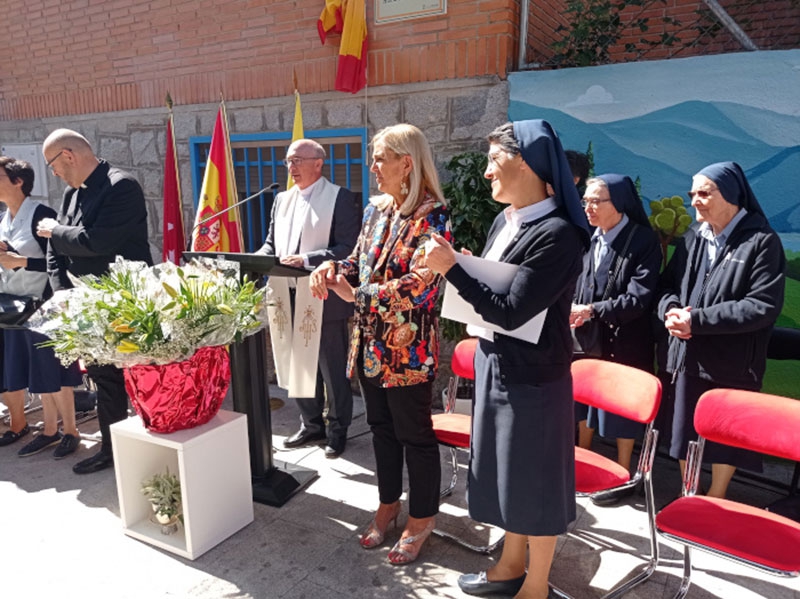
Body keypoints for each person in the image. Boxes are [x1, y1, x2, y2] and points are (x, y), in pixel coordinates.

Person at [426, 120, 590, 599]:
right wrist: (469, 266)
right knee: (507, 474)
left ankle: (535, 586)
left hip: (535, 378)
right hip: (496, 362)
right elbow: (502, 286)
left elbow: (513, 310)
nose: (486, 172)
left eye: (494, 159)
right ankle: (510, 562)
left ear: (527, 163)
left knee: (536, 482)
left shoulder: (558, 233)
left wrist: (454, 268)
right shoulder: (508, 220)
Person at [309, 124, 450, 565]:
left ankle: (422, 517)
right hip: (369, 344)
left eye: (380, 158)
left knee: (415, 436)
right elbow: (358, 262)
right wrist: (332, 268)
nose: (373, 167)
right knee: (381, 432)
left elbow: (424, 284)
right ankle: (389, 503)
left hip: (407, 349)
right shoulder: (375, 210)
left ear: (406, 163)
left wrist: (362, 295)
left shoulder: (434, 214)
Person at [657, 161, 785, 499]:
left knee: (726, 436)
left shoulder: (761, 242)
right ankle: (690, 493)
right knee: (684, 429)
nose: (694, 200)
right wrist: (669, 312)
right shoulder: (692, 238)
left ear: (730, 194)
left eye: (703, 192)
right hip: (687, 354)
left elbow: (762, 306)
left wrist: (696, 321)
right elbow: (666, 286)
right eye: (692, 193)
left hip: (732, 361)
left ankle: (716, 496)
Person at [39, 129, 152, 474]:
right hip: (84, 302)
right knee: (103, 378)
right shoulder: (71, 194)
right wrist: (62, 294)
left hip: (122, 300)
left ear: (69, 156)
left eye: (53, 165)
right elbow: (53, 252)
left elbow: (97, 241)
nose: (54, 173)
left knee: (138, 375)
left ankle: (154, 440)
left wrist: (54, 230)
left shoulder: (121, 186)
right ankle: (112, 449)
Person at [256, 138, 361, 458]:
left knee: (331, 368)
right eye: (288, 161)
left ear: (319, 163)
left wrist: (307, 259)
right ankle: (311, 423)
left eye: (298, 160)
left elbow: (349, 248)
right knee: (299, 364)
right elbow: (272, 245)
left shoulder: (340, 198)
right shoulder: (282, 199)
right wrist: (255, 258)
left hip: (325, 296)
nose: (291, 167)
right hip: (286, 294)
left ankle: (338, 428)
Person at [571, 175, 662, 489]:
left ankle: (623, 473)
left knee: (621, 407)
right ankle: (583, 456)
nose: (589, 207)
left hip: (625, 339)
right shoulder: (588, 237)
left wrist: (593, 310)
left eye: (597, 201)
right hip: (584, 337)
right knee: (581, 399)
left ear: (620, 203)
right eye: (586, 201)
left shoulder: (642, 242)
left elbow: (639, 297)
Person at [0, 157, 84, 458]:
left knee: (56, 371)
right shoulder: (4, 218)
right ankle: (49, 430)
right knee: (39, 373)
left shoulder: (43, 215)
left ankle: (70, 431)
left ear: (18, 181)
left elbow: (58, 262)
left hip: (44, 304)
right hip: (14, 307)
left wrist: (20, 261)